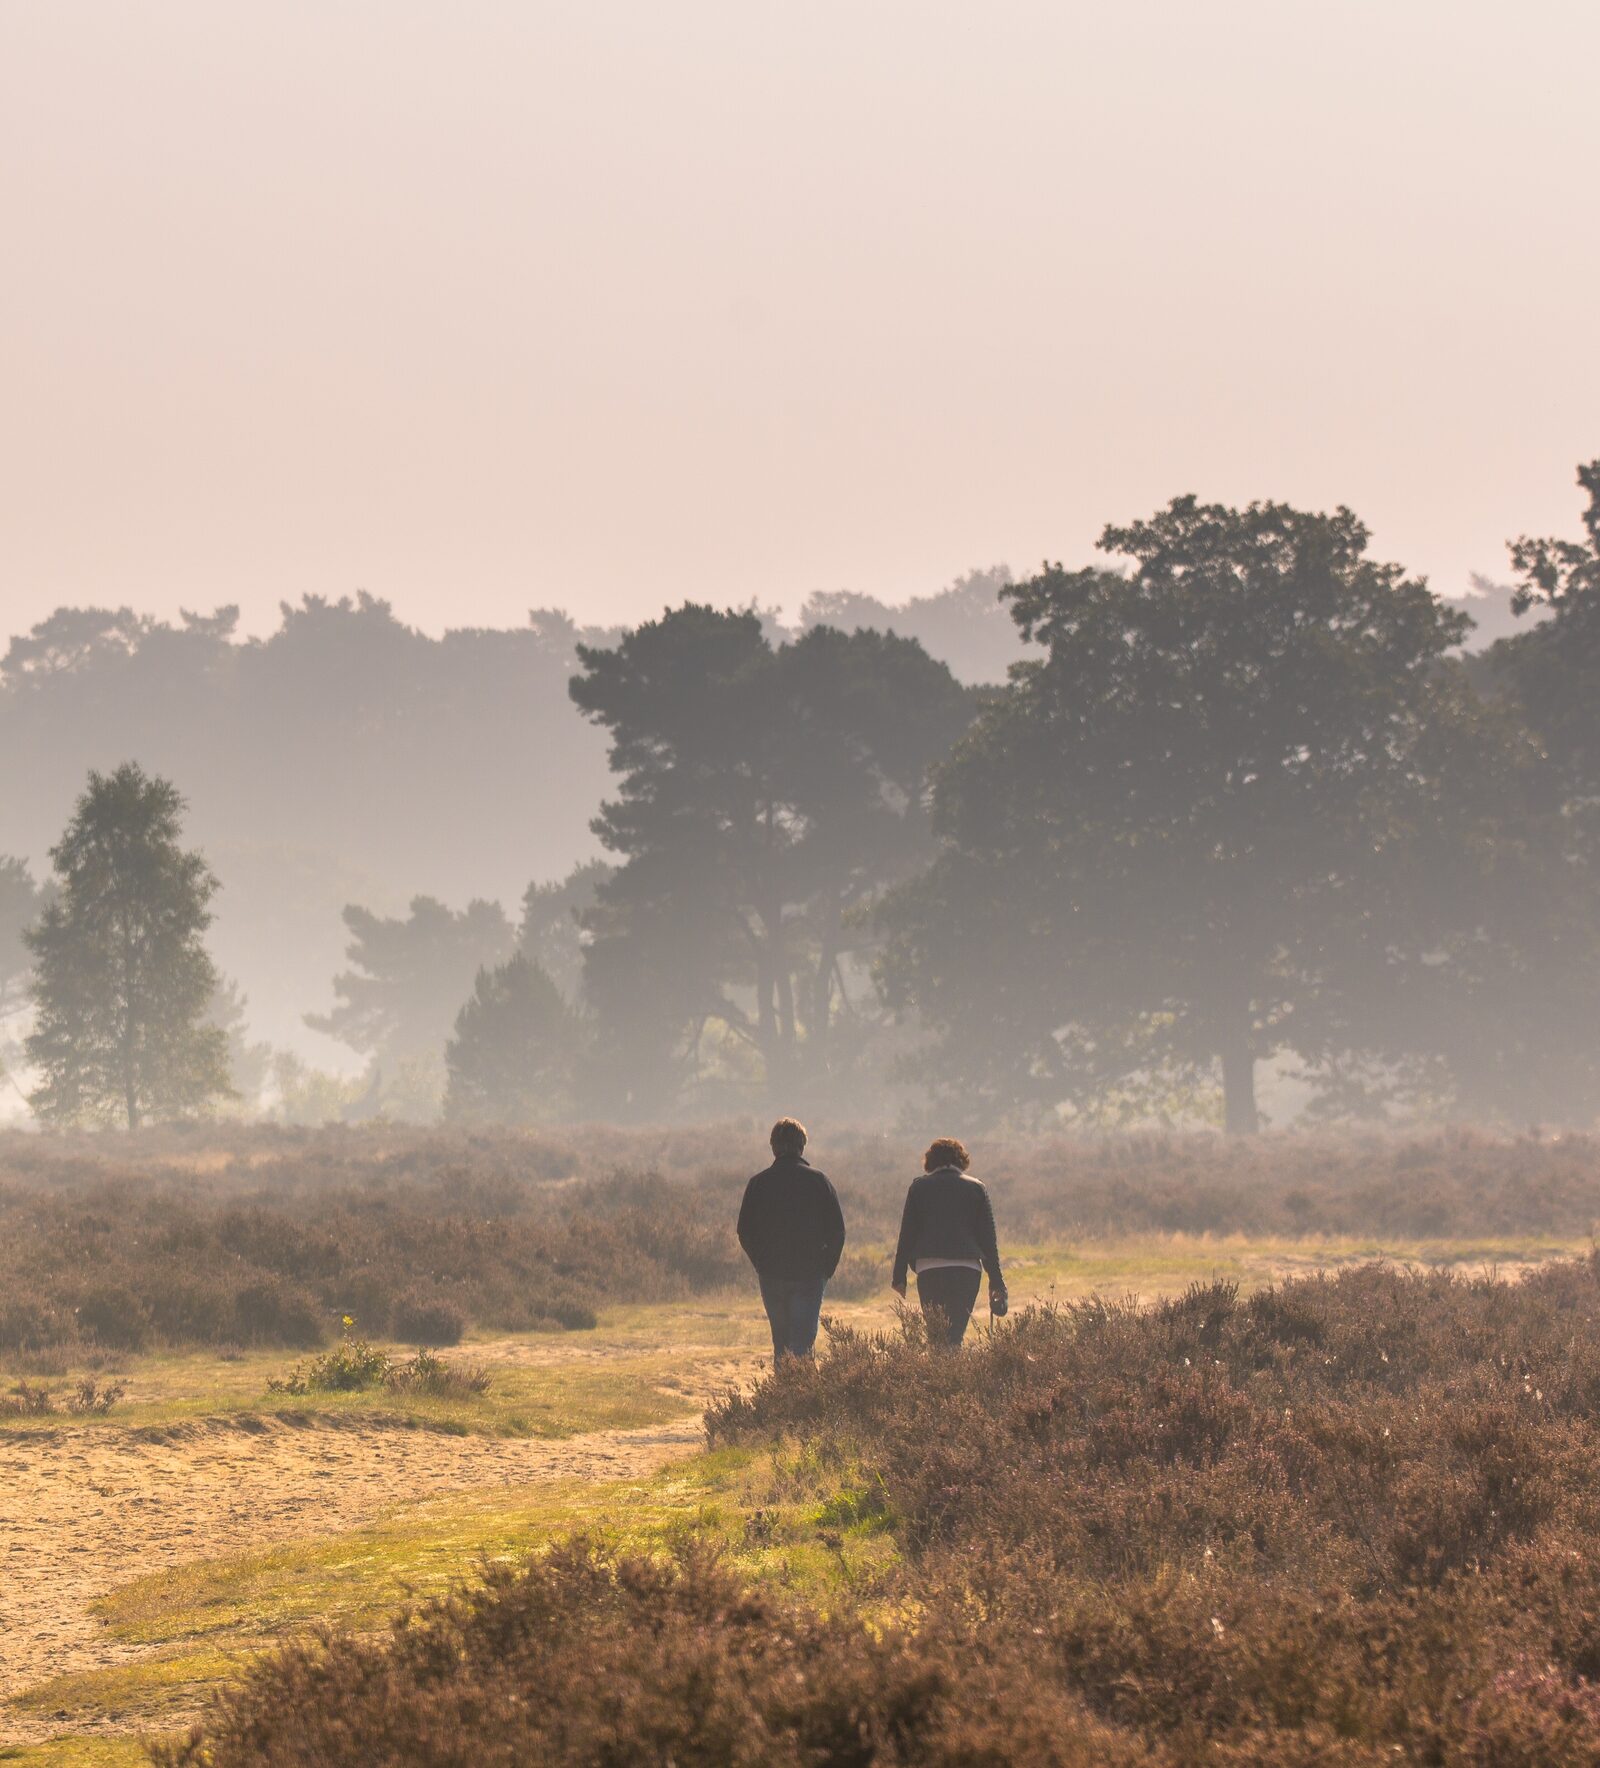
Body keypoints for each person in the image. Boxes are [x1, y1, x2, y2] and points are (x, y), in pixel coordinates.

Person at [737, 1117, 846, 1362]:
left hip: (772, 1273)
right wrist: (826, 1268)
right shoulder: (819, 1181)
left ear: (773, 1147)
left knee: (781, 1342)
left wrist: (760, 1262)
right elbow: (837, 1231)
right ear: (802, 1146)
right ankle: (802, 1396)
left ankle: (782, 1396)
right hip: (809, 1273)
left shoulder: (758, 1183)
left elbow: (744, 1230)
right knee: (803, 1343)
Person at [891, 1137, 1008, 1346]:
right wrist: (997, 1281)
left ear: (930, 1161)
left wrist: (899, 1275)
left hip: (930, 1269)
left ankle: (940, 1374)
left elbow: (907, 1234)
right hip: (967, 1269)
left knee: (936, 1336)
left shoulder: (919, 1188)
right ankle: (952, 1374)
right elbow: (988, 1240)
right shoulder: (977, 1188)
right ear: (961, 1160)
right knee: (955, 1334)